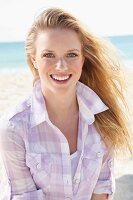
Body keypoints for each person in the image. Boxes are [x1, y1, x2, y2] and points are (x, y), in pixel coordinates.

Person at [0, 7, 132, 200]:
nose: (61, 66)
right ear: (34, 60)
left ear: (83, 59)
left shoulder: (102, 117)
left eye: (71, 54)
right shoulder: (14, 128)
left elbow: (101, 191)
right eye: (49, 55)